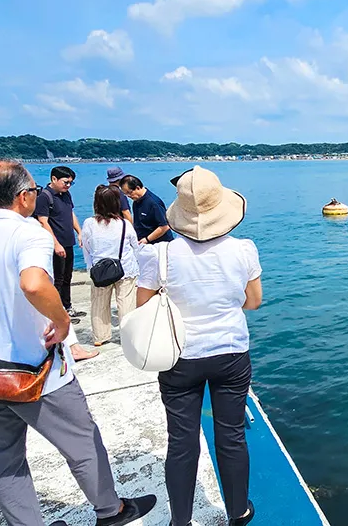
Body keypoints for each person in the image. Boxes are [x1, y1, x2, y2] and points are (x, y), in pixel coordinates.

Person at [0, 159, 156, 526]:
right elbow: (33, 283)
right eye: (34, 190)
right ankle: (110, 510)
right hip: (35, 370)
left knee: (5, 457)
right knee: (82, 443)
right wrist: (62, 321)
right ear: (22, 197)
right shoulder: (27, 233)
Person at [137, 166, 261, 526]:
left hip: (179, 358)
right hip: (231, 355)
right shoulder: (244, 250)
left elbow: (142, 309)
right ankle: (237, 511)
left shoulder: (159, 256)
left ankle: (181, 521)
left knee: (181, 443)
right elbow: (253, 301)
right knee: (232, 436)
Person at [33, 166, 97, 361]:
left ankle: (67, 306)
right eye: (65, 182)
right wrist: (55, 243)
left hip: (67, 241)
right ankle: (58, 310)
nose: (68, 185)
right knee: (58, 279)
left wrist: (79, 232)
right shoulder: (45, 197)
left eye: (71, 183)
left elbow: (71, 214)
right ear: (54, 178)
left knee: (67, 277)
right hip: (56, 243)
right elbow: (43, 221)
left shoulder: (65, 195)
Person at [82, 185, 141, 346]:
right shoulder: (124, 224)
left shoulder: (89, 223)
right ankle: (128, 336)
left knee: (99, 303)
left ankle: (100, 337)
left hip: (100, 269)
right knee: (126, 303)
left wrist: (90, 266)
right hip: (125, 268)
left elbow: (86, 247)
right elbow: (134, 246)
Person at [119, 175, 173, 245]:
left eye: (129, 193)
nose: (128, 196)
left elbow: (164, 227)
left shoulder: (154, 203)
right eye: (125, 194)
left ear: (137, 188)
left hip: (158, 244)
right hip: (143, 243)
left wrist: (147, 239)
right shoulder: (136, 201)